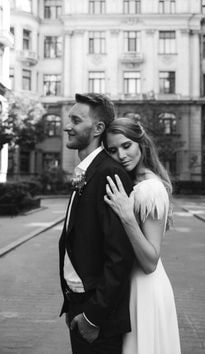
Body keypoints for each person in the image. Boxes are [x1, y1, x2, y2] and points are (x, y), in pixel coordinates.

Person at [59, 94, 135, 354]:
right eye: (69, 119)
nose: (67, 126)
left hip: (97, 316)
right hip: (78, 304)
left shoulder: (108, 172)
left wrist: (93, 317)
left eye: (76, 120)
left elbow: (120, 256)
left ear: (98, 128)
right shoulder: (87, 169)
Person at [103, 117, 181, 354]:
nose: (121, 155)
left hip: (146, 290)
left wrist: (127, 217)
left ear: (141, 143)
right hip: (132, 288)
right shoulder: (133, 181)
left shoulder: (150, 188)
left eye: (127, 146)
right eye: (113, 150)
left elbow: (150, 261)